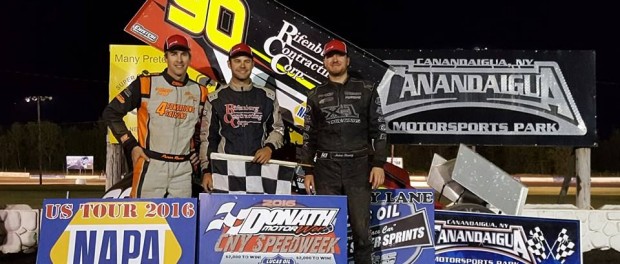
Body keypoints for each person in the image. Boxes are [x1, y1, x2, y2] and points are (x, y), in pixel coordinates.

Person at [299, 39, 388, 264]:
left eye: (339, 55)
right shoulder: (314, 95)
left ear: (347, 60)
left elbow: (379, 129)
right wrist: (308, 170)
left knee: (361, 231)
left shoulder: (367, 89)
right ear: (324, 62)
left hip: (359, 168)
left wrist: (378, 163)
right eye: (330, 56)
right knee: (326, 231)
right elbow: (309, 136)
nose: (335, 59)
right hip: (326, 169)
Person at [102, 34, 208, 198]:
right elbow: (111, 113)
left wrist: (197, 156)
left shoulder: (200, 91)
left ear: (189, 57)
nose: (179, 59)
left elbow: (201, 130)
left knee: (180, 222)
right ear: (165, 57)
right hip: (151, 164)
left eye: (183, 54)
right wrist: (131, 144)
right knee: (144, 219)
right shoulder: (146, 83)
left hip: (182, 170)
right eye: (174, 54)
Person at [199, 43, 285, 192]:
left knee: (257, 212)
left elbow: (278, 129)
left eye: (246, 61)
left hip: (259, 170)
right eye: (237, 61)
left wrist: (269, 148)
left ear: (252, 64)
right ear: (229, 64)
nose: (242, 65)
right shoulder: (215, 98)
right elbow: (208, 139)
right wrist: (206, 170)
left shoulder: (267, 96)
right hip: (226, 171)